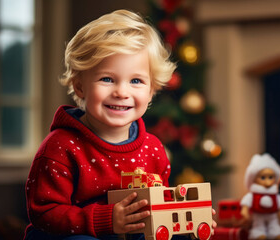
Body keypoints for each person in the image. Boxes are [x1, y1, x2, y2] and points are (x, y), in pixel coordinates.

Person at [24, 9, 177, 240]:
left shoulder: (153, 148)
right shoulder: (60, 147)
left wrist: (182, 217)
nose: (122, 92)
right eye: (107, 79)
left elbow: (160, 205)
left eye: (136, 81)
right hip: (71, 234)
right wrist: (105, 220)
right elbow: (44, 213)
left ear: (151, 91)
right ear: (79, 86)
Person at [240, 153, 280, 240]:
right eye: (262, 177)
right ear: (253, 178)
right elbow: (246, 203)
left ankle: (276, 232)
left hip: (273, 216)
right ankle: (258, 233)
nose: (267, 181)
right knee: (258, 226)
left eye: (270, 177)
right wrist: (245, 210)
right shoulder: (253, 194)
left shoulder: (274, 193)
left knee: (274, 225)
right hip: (258, 216)